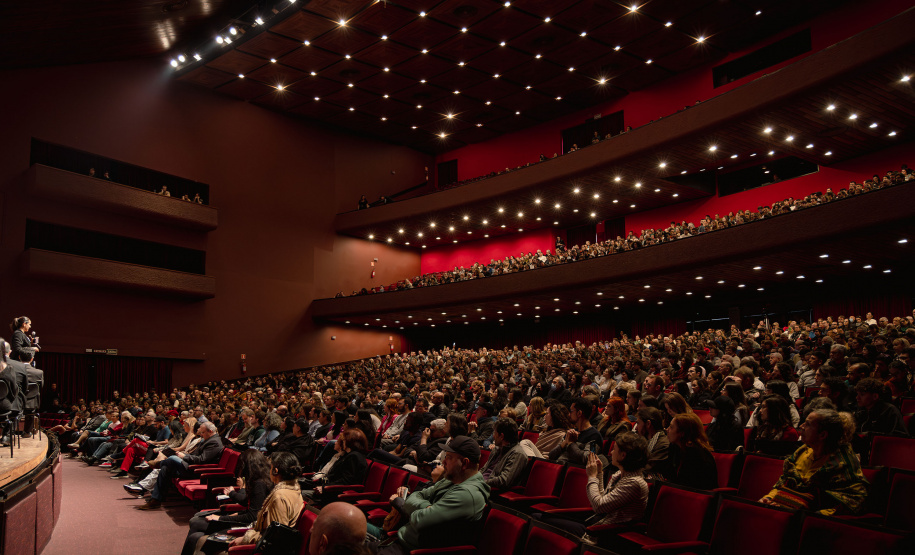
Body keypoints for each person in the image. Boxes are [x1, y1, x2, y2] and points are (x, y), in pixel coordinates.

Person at [376, 436, 490, 554]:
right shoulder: (451, 479)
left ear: (465, 463)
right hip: (399, 541)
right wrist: (427, 507)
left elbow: (420, 520)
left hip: (414, 550)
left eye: (449, 458)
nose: (443, 462)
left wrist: (414, 508)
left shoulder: (468, 494)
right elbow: (415, 495)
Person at [536, 432, 649, 540]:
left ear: (623, 455)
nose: (611, 452)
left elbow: (598, 506)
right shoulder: (620, 475)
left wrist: (592, 476)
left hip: (602, 532)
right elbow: (602, 501)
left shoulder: (634, 483)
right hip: (595, 523)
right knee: (541, 516)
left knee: (539, 519)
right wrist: (599, 474)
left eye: (615, 449)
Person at [760, 409, 868, 515]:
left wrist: (812, 517)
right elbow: (784, 482)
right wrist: (768, 498)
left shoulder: (842, 462)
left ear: (822, 435)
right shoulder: (803, 451)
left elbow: (854, 501)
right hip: (784, 511)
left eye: (808, 424)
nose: (801, 426)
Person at [181, 449, 273, 555]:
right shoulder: (258, 480)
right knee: (195, 528)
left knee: (196, 529)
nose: (240, 469)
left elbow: (252, 516)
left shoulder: (259, 484)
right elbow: (248, 503)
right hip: (244, 521)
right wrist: (233, 494)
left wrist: (220, 518)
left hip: (247, 527)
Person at [212, 452, 304, 554]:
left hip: (262, 548)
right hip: (259, 537)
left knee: (208, 542)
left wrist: (244, 539)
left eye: (270, 467)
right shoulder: (294, 490)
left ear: (275, 471)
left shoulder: (279, 496)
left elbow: (274, 536)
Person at [139, 421, 224, 510]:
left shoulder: (214, 442)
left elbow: (201, 460)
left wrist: (185, 456)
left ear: (210, 431)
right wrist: (184, 456)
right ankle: (155, 500)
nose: (201, 435)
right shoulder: (208, 440)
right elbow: (196, 455)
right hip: (191, 466)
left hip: (198, 471)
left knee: (172, 458)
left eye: (203, 432)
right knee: (165, 469)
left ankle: (158, 464)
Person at [666, 413, 717, 490]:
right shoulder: (675, 447)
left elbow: (692, 485)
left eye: (671, 427)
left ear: (682, 433)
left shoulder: (696, 454)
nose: (667, 429)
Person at [548, 397, 602, 465]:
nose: (569, 414)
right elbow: (551, 456)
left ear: (579, 413)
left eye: (571, 411)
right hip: (558, 466)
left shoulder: (595, 436)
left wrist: (571, 443)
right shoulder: (571, 432)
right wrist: (564, 443)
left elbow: (587, 459)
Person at [479, 418, 527, 489]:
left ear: (501, 436)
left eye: (494, 433)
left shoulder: (517, 454)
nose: (493, 436)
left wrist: (480, 483)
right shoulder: (496, 449)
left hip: (490, 490)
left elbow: (504, 480)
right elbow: (484, 469)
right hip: (480, 485)